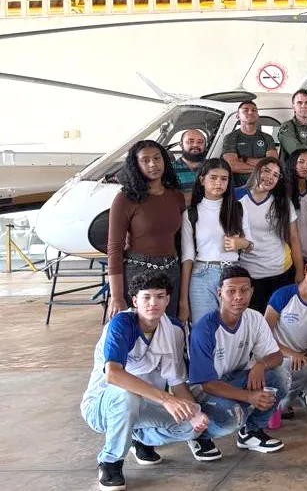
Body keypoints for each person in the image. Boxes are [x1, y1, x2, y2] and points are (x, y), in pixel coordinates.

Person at [82, 271, 205, 491]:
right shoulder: (121, 324)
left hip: (146, 405)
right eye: (146, 297)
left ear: (168, 299)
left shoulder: (174, 329)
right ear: (135, 300)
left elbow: (176, 381)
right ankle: (110, 461)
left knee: (192, 426)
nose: (153, 303)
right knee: (127, 395)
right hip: (102, 406)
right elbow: (113, 374)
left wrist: (194, 411)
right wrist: (167, 399)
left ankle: (140, 438)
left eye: (159, 296)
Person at [188, 265, 286, 458]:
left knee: (281, 376)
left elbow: (277, 356)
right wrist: (249, 397)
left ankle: (250, 433)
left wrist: (260, 364)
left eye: (244, 290)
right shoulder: (205, 328)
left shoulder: (254, 318)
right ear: (219, 293)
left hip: (235, 377)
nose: (238, 297)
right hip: (205, 389)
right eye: (231, 291)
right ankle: (198, 435)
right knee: (233, 416)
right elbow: (206, 384)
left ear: (251, 292)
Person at [107, 140, 185, 319]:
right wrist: (117, 296)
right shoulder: (125, 199)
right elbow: (114, 248)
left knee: (169, 329)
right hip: (137, 273)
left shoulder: (175, 196)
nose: (153, 164)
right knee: (139, 332)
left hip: (172, 271)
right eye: (145, 160)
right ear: (136, 165)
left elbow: (180, 240)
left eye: (157, 158)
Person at [179, 159, 251, 325]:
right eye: (213, 178)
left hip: (233, 274)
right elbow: (188, 257)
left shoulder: (238, 208)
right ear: (202, 180)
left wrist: (242, 244)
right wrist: (183, 300)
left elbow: (250, 245)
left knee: (232, 329)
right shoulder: (191, 214)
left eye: (224, 179)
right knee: (202, 329)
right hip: (201, 274)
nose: (218, 183)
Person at [264, 253, 307, 427]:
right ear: (305, 268)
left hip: (304, 354)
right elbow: (263, 336)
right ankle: (279, 405)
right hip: (278, 354)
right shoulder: (283, 294)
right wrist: (292, 354)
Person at [236, 158, 304, 313]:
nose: (269, 177)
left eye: (275, 175)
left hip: (280, 272)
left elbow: (294, 238)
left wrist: (299, 271)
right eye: (266, 170)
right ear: (257, 170)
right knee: (254, 321)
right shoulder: (236, 196)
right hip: (248, 273)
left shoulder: (283, 203)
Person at [222, 101, 279, 187]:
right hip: (238, 188)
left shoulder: (267, 137)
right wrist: (263, 168)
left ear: (258, 116)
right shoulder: (230, 137)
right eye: (246, 110)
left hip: (262, 187)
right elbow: (232, 165)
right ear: (238, 116)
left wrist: (245, 160)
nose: (250, 112)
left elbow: (273, 162)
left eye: (254, 110)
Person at [173, 129, 206, 198]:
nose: (195, 145)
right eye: (190, 141)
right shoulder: (170, 169)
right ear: (181, 145)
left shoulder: (213, 167)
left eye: (200, 142)